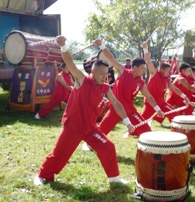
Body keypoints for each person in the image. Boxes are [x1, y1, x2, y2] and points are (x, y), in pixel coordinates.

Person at [33, 35, 134, 186]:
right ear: (93, 72)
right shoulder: (82, 80)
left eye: (106, 75)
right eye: (101, 74)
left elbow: (117, 104)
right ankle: (41, 175)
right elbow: (70, 62)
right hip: (73, 126)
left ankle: (114, 178)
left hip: (90, 128)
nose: (104, 77)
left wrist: (127, 122)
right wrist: (63, 46)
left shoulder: (105, 87)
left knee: (108, 146)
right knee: (59, 155)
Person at [94, 39, 164, 137]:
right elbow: (111, 58)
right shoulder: (123, 71)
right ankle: (90, 143)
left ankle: (145, 149)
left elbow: (149, 97)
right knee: (101, 133)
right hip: (116, 108)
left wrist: (158, 109)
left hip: (130, 110)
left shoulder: (141, 82)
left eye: (145, 68)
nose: (144, 70)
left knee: (146, 130)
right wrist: (101, 45)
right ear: (134, 67)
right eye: (142, 68)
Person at [141, 42, 190, 125]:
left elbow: (175, 89)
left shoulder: (167, 79)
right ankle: (132, 130)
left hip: (161, 102)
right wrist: (145, 48)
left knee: (173, 113)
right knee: (141, 121)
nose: (169, 72)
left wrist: (185, 97)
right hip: (150, 103)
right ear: (162, 70)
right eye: (168, 70)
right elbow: (148, 61)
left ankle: (176, 130)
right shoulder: (154, 74)